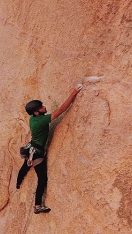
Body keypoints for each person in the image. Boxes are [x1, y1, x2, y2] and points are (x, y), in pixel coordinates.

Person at [16, 83, 83, 214]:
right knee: (42, 179)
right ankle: (37, 206)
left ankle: (18, 183)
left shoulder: (33, 119)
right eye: (41, 107)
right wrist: (74, 92)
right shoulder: (41, 120)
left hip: (31, 148)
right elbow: (61, 110)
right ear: (36, 112)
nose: (44, 107)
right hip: (36, 153)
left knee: (25, 166)